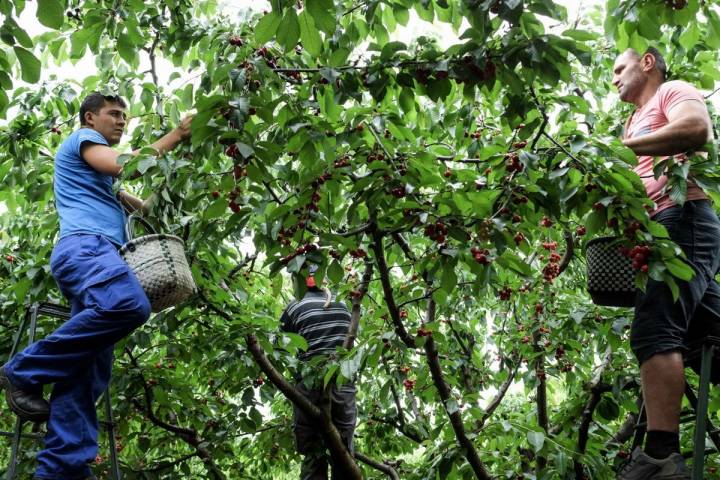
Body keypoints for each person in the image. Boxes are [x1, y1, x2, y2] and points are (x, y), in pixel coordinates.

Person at [0, 92, 192, 480]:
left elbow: (145, 205)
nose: (121, 121)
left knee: (88, 369)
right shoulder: (84, 142)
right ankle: (21, 371)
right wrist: (178, 134)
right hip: (87, 249)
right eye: (114, 114)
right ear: (90, 118)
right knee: (129, 306)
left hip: (101, 258)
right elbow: (125, 166)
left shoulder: (101, 184)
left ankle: (62, 469)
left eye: (125, 116)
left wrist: (180, 171)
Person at [612, 48, 720, 479]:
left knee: (656, 328)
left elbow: (697, 129)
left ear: (649, 63)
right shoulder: (629, 121)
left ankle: (660, 456)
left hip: (684, 217)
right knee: (708, 334)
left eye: (620, 68)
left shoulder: (672, 92)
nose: (614, 78)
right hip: (659, 232)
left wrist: (626, 148)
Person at [279, 265, 357, 480]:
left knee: (313, 454)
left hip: (308, 386)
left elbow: (282, 349)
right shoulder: (343, 306)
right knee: (343, 452)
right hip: (342, 385)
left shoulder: (294, 307)